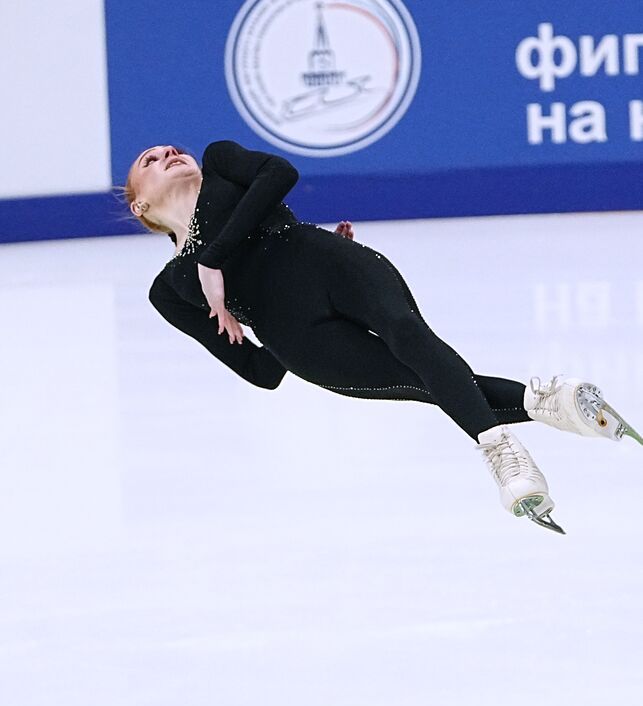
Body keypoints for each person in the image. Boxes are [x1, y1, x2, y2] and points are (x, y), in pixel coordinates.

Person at [124, 140, 642, 534]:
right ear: (139, 206)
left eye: (173, 150)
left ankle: (504, 457)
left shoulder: (220, 163)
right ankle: (552, 401)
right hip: (297, 337)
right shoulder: (171, 289)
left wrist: (213, 258)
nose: (169, 153)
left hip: (324, 260)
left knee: (406, 332)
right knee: (421, 382)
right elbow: (263, 372)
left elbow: (280, 172)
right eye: (150, 160)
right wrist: (240, 325)